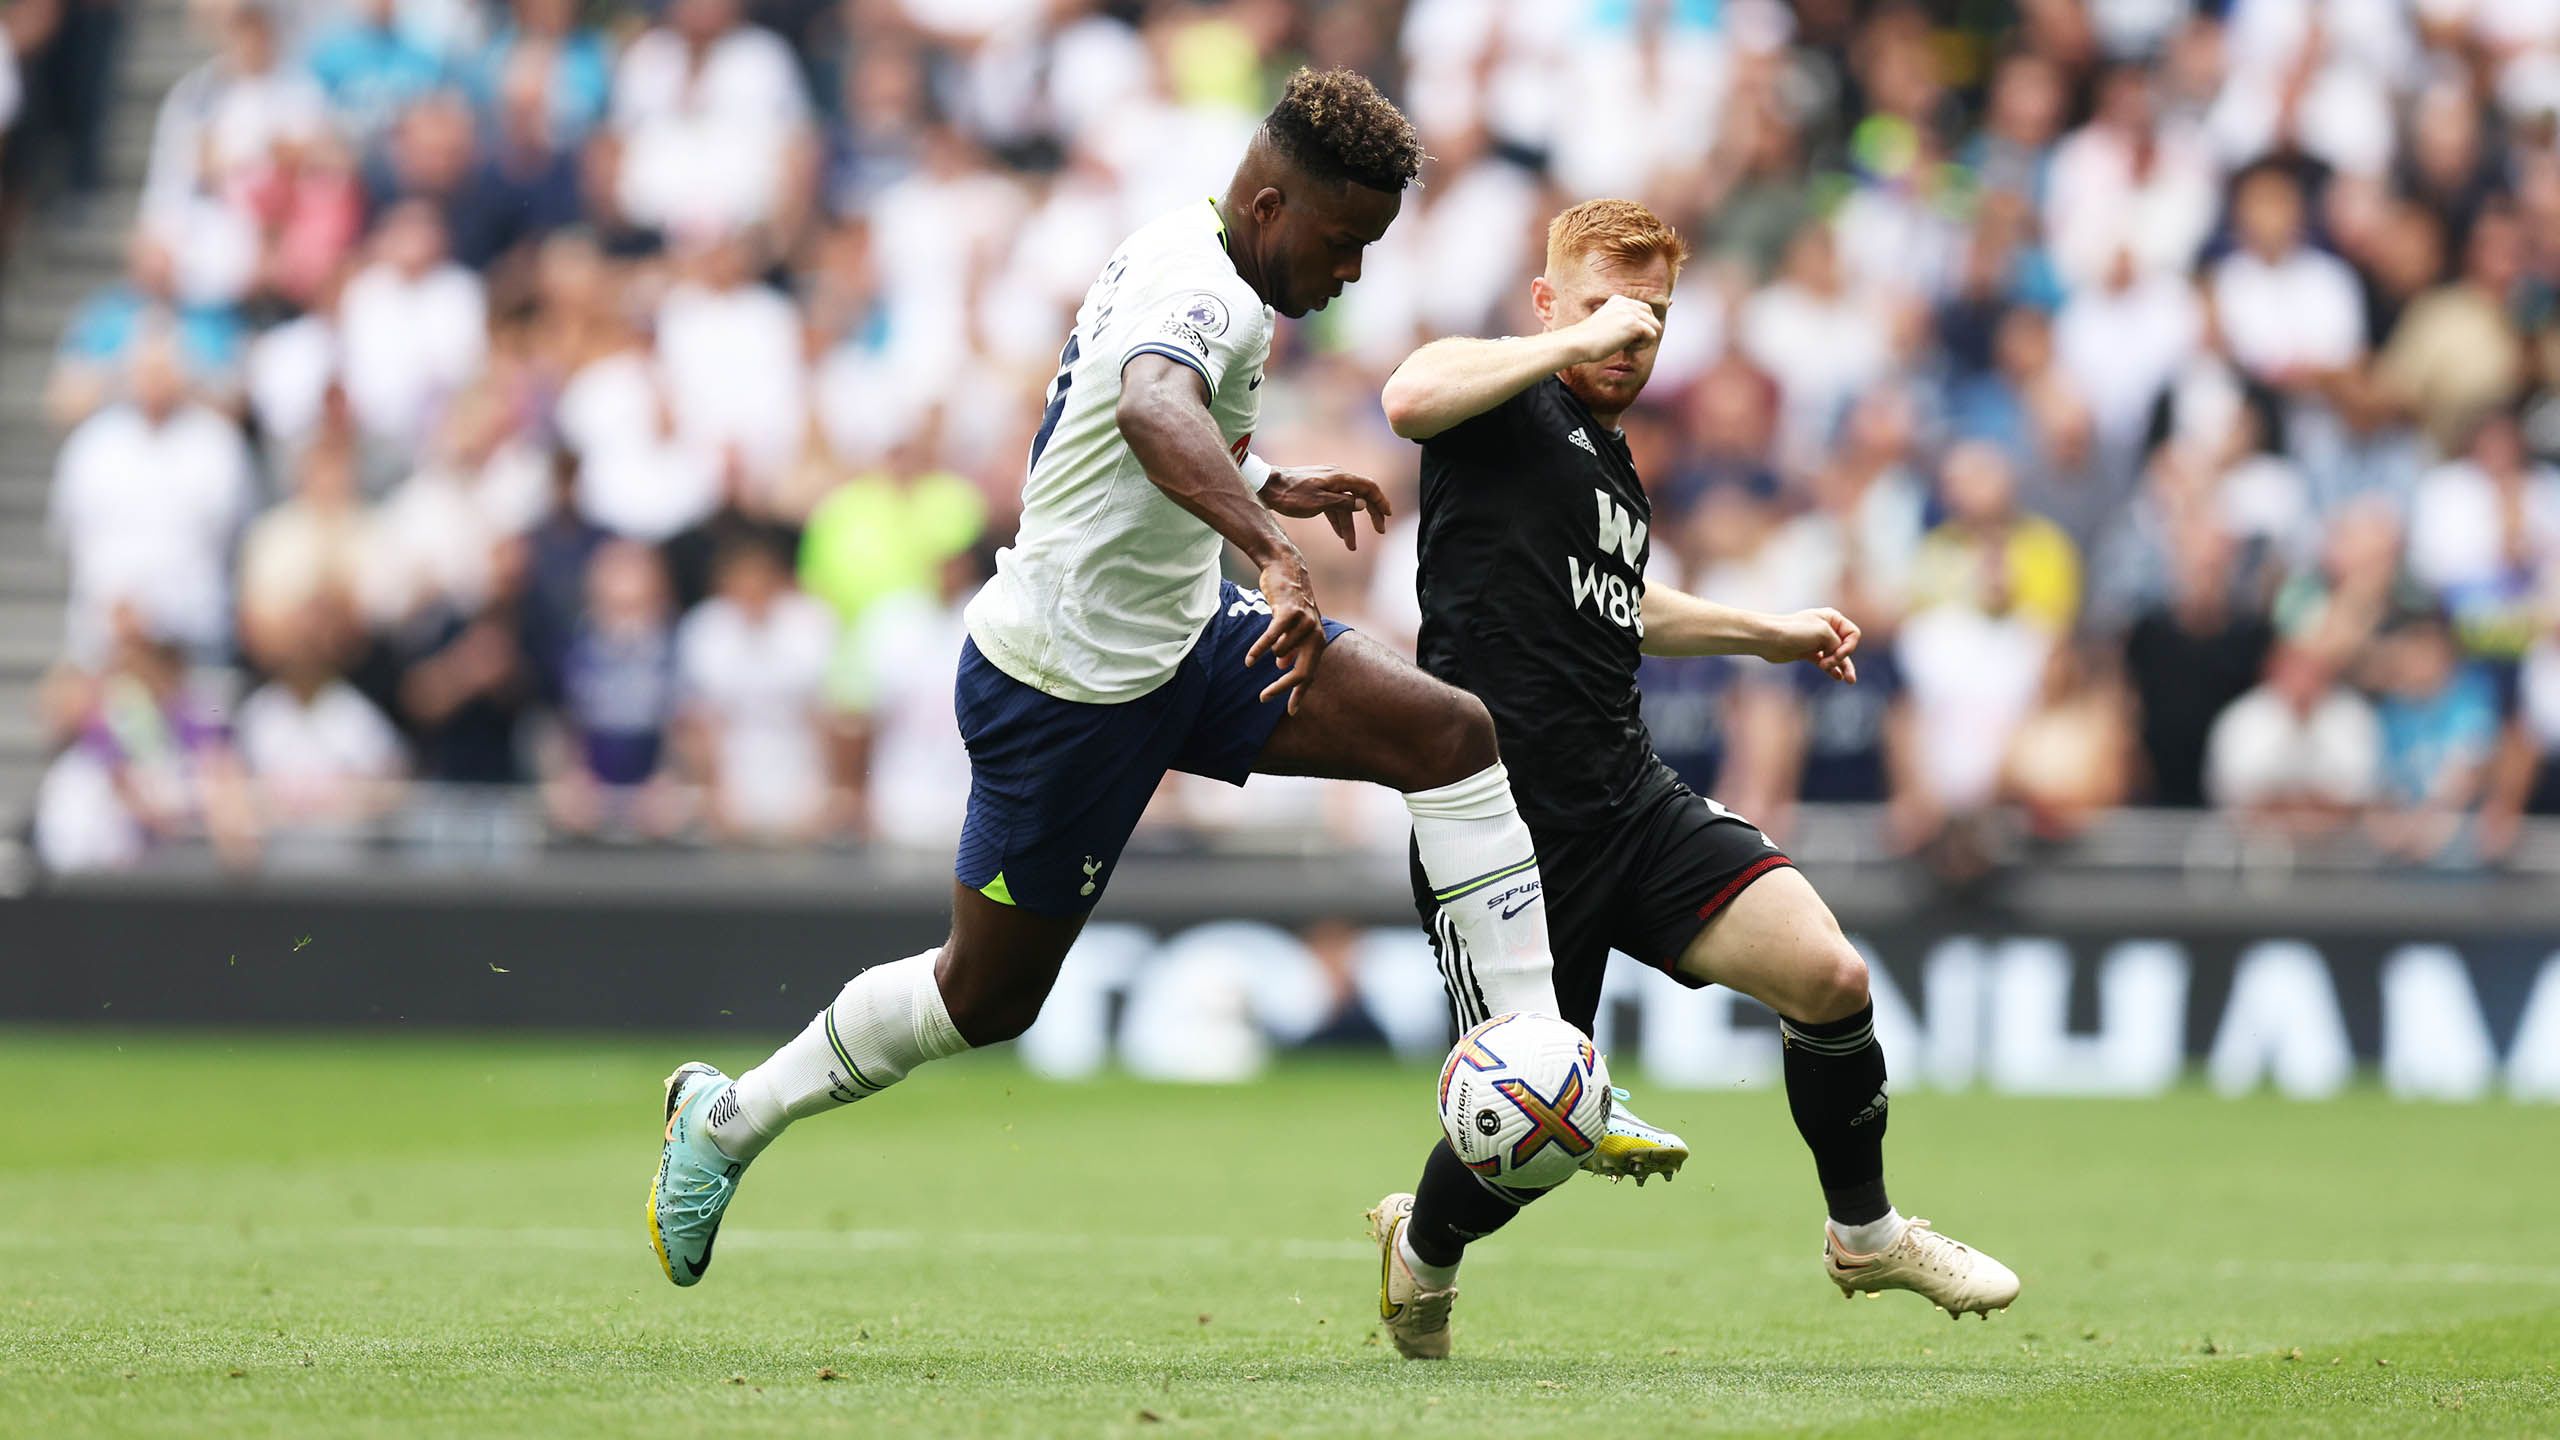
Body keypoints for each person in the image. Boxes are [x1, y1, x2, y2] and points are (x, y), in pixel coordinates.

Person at [644, 70, 1674, 1288]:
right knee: (986, 997)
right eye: (1345, 243)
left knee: (1448, 735)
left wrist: (1269, 479)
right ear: (1274, 201)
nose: (1350, 274)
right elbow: (1147, 409)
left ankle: (1537, 1063)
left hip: (1184, 639)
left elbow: (1160, 424)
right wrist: (1273, 549)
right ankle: (726, 1119)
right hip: (1063, 686)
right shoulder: (1201, 286)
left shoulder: (1215, 263)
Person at [1366, 198, 2021, 1360]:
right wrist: (1576, 343)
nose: (1631, 338)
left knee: (1828, 974)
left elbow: (1625, 608)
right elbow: (1406, 395)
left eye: (1654, 317)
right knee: (1533, 1133)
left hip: (1628, 796)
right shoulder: (1501, 398)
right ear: (1545, 303)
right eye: (1608, 310)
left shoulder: (1613, 466)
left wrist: (1757, 631)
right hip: (1499, 833)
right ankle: (1423, 1247)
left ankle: (1865, 1237)